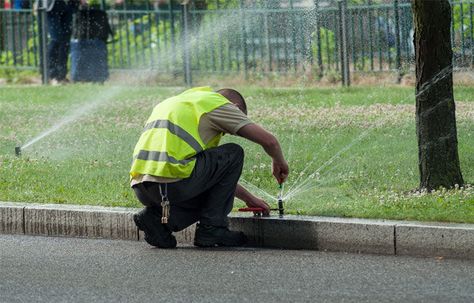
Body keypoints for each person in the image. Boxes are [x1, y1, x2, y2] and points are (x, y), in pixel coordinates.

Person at [130, 86, 289, 248]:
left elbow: (213, 179)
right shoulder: (218, 104)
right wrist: (279, 161)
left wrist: (250, 199)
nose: (224, 133)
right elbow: (270, 141)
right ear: (235, 108)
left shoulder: (184, 102)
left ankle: (156, 220)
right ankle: (212, 228)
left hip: (142, 187)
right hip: (174, 184)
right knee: (234, 153)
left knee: (210, 188)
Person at [44, 0, 80, 84]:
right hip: (52, 5)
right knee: (56, 40)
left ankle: (61, 76)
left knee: (65, 42)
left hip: (68, 4)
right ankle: (52, 75)